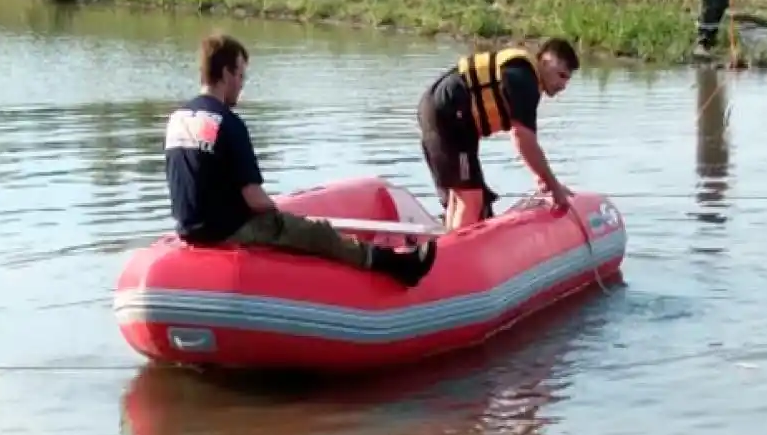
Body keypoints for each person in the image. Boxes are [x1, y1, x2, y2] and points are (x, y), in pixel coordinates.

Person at [164, 33, 437, 287]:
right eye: (241, 77)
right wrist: (276, 212)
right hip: (227, 230)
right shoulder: (229, 124)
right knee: (319, 233)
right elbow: (254, 198)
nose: (241, 87)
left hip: (189, 229)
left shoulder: (177, 120)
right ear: (225, 74)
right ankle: (396, 265)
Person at [417, 38, 580, 231]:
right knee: (471, 198)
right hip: (449, 113)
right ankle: (456, 257)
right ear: (544, 62)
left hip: (443, 111)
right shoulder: (525, 80)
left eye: (567, 79)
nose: (563, 85)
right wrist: (554, 187)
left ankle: (447, 245)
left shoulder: (523, 75)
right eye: (561, 75)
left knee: (460, 194)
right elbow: (523, 139)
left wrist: (542, 178)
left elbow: (523, 139)